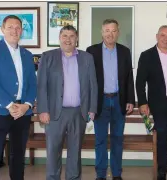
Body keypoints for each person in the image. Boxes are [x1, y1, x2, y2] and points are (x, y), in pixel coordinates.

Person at [37, 25, 98, 180]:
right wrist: (43, 109)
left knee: (75, 151)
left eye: (71, 36)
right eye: (65, 35)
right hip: (54, 113)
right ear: (59, 38)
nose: (68, 39)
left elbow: (93, 85)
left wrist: (92, 108)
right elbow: (41, 85)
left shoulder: (87, 58)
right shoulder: (47, 56)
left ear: (76, 39)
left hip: (79, 112)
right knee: (53, 151)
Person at [0, 15, 37, 180]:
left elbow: (32, 83)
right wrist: (9, 105)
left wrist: (27, 105)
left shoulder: (27, 54)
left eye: (18, 27)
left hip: (22, 112)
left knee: (18, 155)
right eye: (10, 27)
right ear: (2, 29)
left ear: (21, 31)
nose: (14, 30)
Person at [136, 25, 167, 180]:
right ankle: (162, 171)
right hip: (159, 105)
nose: (166, 39)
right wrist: (143, 103)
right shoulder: (147, 56)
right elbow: (140, 82)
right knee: (162, 138)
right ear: (156, 36)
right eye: (163, 35)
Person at [86, 19, 135, 180]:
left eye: (113, 30)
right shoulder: (91, 51)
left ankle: (116, 174)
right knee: (100, 140)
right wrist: (89, 103)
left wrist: (130, 100)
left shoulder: (124, 51)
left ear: (118, 32)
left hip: (118, 101)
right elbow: (87, 80)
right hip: (100, 102)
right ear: (102, 32)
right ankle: (100, 174)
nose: (110, 34)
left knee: (117, 140)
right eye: (107, 30)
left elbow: (129, 78)